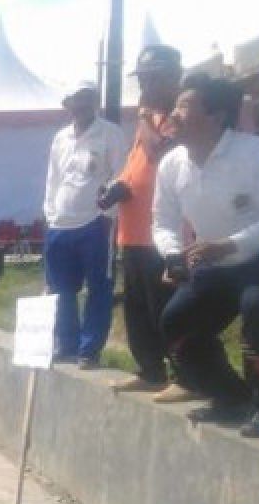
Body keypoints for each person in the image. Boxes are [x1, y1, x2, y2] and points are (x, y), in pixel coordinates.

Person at [155, 74, 259, 437]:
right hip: (220, 255)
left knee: (258, 306)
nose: (174, 114)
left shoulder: (256, 153)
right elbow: (162, 220)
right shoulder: (172, 165)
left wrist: (227, 245)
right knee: (176, 321)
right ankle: (230, 398)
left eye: (184, 107)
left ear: (216, 117)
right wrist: (172, 257)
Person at [101, 46, 198, 404]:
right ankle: (150, 370)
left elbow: (158, 151)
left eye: (150, 78)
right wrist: (118, 187)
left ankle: (185, 375)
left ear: (172, 77)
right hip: (134, 231)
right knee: (138, 308)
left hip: (166, 233)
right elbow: (138, 166)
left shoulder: (180, 116)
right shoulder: (150, 122)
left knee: (167, 307)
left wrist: (143, 114)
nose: (145, 86)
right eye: (142, 79)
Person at [42, 80, 128, 368]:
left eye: (86, 99)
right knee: (60, 289)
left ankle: (88, 349)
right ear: (67, 105)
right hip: (60, 225)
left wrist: (109, 217)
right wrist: (50, 214)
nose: (80, 106)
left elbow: (121, 176)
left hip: (94, 223)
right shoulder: (60, 138)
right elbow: (53, 180)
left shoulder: (110, 134)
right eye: (74, 100)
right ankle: (65, 343)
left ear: (95, 101)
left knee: (98, 288)